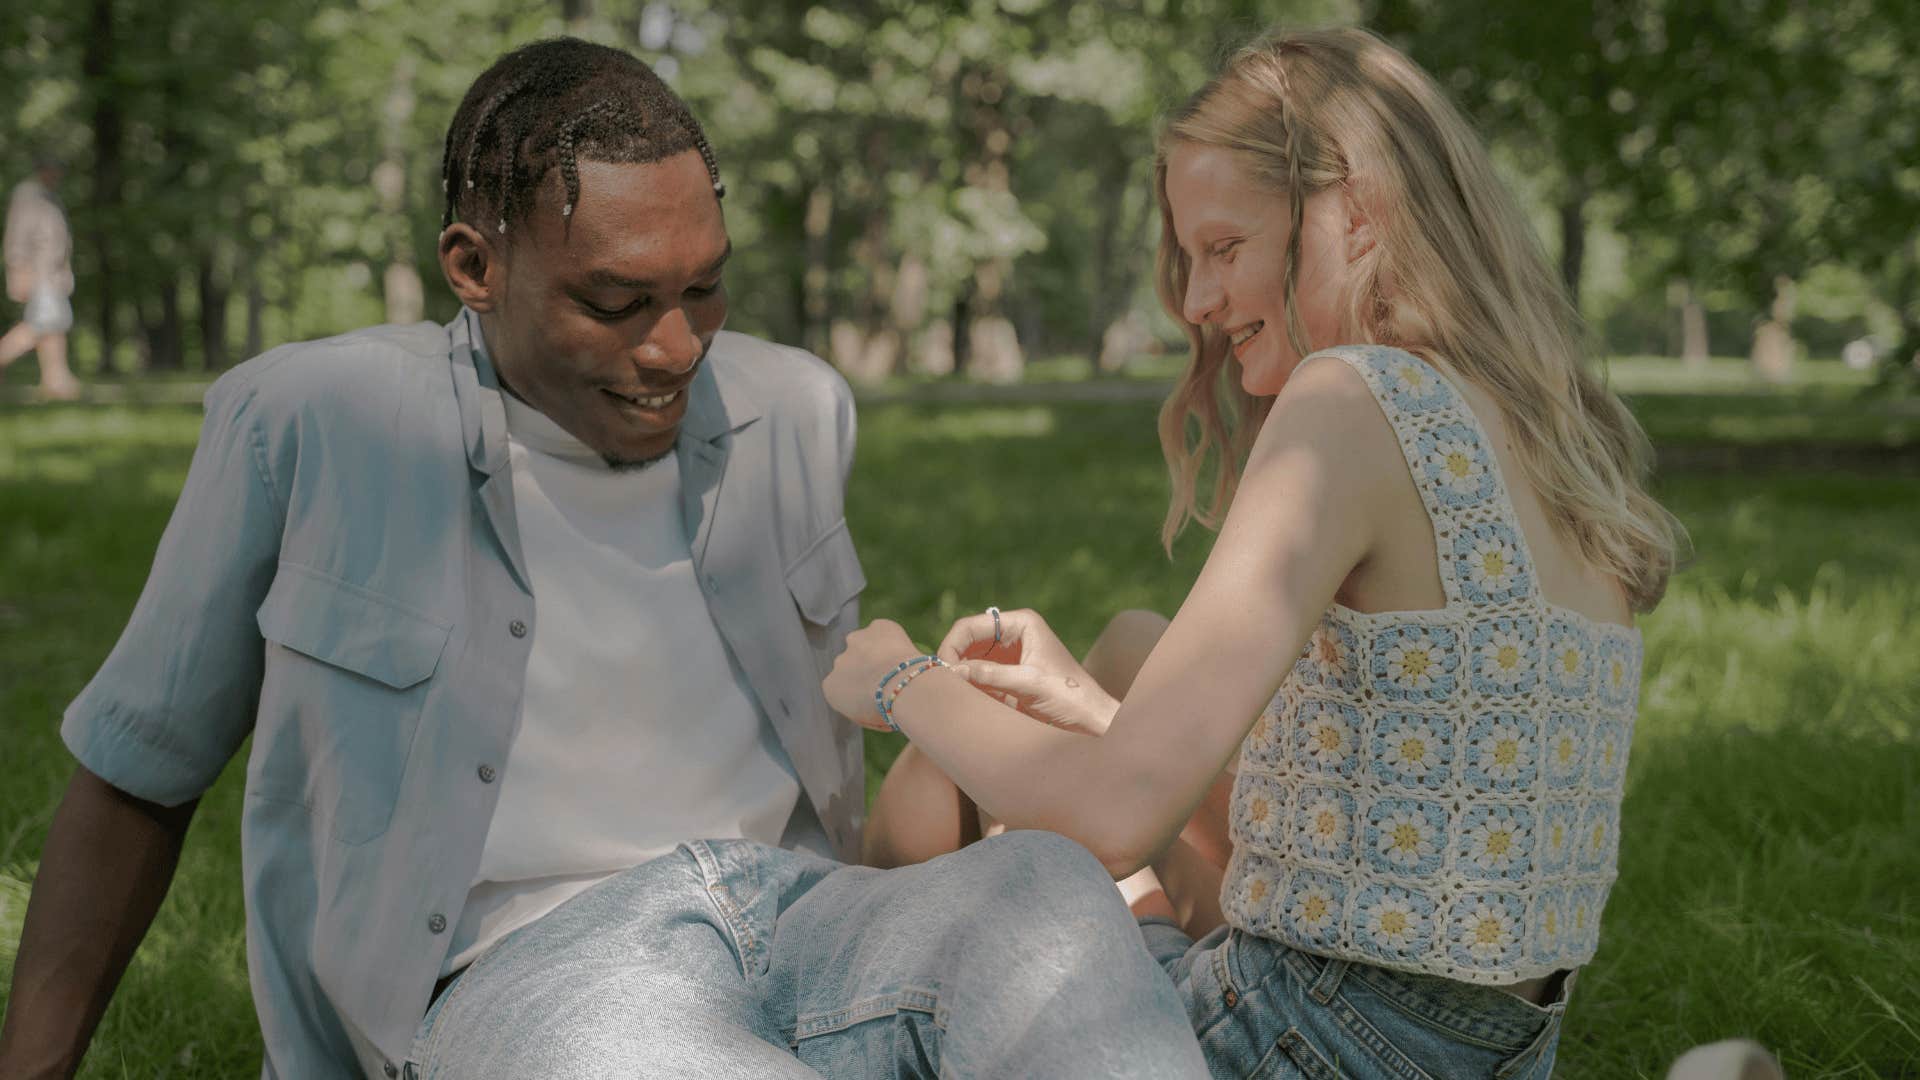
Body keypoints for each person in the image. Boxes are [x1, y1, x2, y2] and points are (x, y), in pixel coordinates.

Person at [0, 39, 1207, 1079]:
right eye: (616, 304)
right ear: (474, 268)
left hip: (808, 913)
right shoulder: (312, 425)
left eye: (705, 290)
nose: (676, 345)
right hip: (537, 976)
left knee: (1042, 897)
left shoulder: (795, 412)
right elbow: (135, 776)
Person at [829, 26, 1684, 1079]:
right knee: (1132, 656)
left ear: (1354, 216)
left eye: (1224, 249)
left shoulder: (1353, 400)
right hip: (1492, 1048)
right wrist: (1105, 724)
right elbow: (1383, 879)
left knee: (904, 939)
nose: (1194, 301)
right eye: (1189, 260)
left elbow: (1111, 817)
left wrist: (899, 679)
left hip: (1296, 1034)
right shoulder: (1553, 448)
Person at [1, 158, 82, 401]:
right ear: (44, 170)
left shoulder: (48, 197)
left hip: (52, 275)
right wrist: (17, 271)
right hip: (38, 273)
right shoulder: (29, 196)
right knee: (42, 325)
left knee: (54, 327)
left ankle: (56, 380)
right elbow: (18, 236)